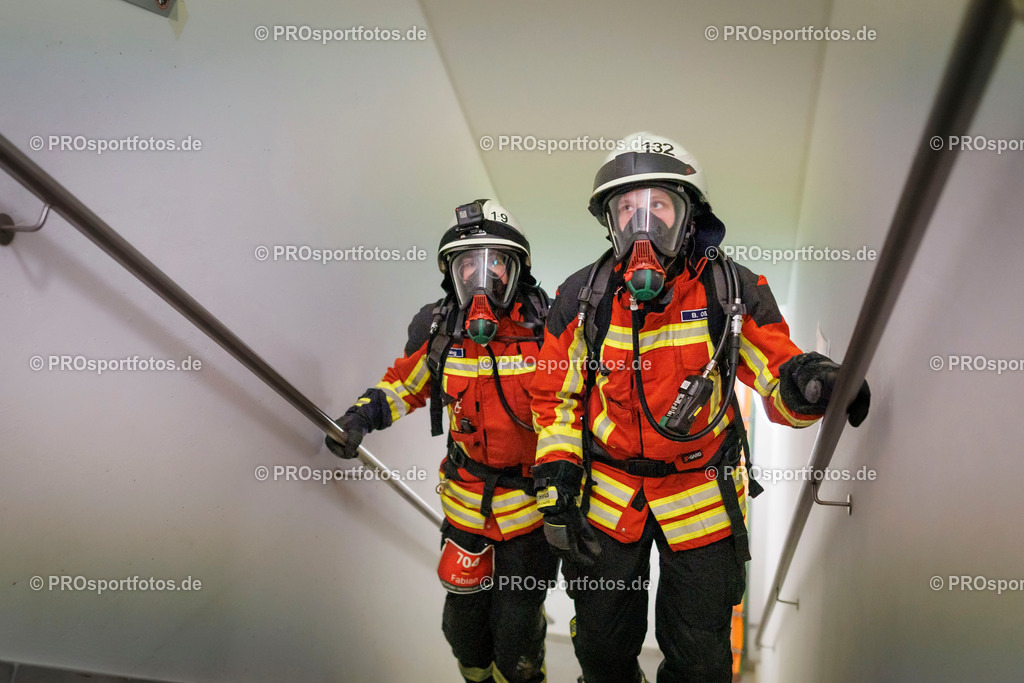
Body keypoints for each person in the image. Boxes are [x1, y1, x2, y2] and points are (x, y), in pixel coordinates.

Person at [529, 133, 871, 683]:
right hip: (610, 497)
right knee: (600, 647)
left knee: (702, 660)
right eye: (627, 209)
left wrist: (815, 382)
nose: (643, 225)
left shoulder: (730, 290)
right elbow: (554, 395)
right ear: (610, 222)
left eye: (658, 206)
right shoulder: (581, 298)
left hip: (701, 492)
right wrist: (558, 470)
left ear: (689, 216)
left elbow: (776, 369)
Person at [326, 199, 559, 683]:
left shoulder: (550, 331)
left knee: (516, 635)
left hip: (533, 512)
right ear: (450, 273)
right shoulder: (441, 332)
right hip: (467, 504)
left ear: (518, 269)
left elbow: (579, 408)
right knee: (463, 629)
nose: (480, 277)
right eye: (467, 263)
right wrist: (359, 418)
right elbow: (404, 384)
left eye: (494, 261)